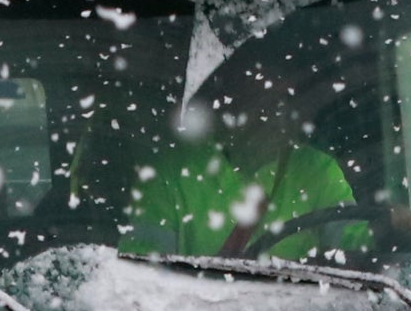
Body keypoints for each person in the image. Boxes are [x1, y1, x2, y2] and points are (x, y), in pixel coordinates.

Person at [124, 106, 358, 257]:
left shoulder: (317, 170)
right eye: (262, 104)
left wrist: (390, 226)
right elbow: (143, 284)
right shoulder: (171, 173)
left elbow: (358, 246)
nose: (272, 116)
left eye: (284, 104)